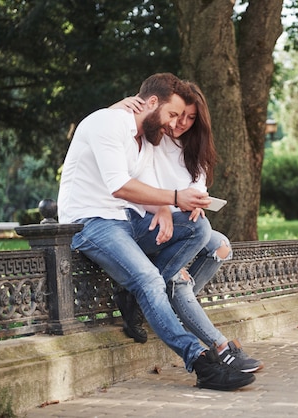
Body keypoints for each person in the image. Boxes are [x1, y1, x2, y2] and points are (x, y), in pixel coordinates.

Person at [57, 72, 255, 391]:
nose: (174, 124)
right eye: (172, 114)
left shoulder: (146, 138)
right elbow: (120, 186)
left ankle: (137, 296)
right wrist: (175, 198)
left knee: (197, 227)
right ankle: (203, 364)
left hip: (125, 220)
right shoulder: (106, 123)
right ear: (151, 103)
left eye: (181, 117)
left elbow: (145, 187)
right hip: (90, 223)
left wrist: (163, 208)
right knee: (149, 279)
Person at [110, 82, 263, 373]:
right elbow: (141, 175)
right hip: (151, 217)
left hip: (180, 219)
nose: (181, 123)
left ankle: (165, 297)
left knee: (220, 245)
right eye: (179, 115)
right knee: (179, 277)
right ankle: (219, 346)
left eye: (190, 118)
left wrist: (195, 205)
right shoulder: (156, 134)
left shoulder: (195, 149)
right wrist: (121, 104)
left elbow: (197, 187)